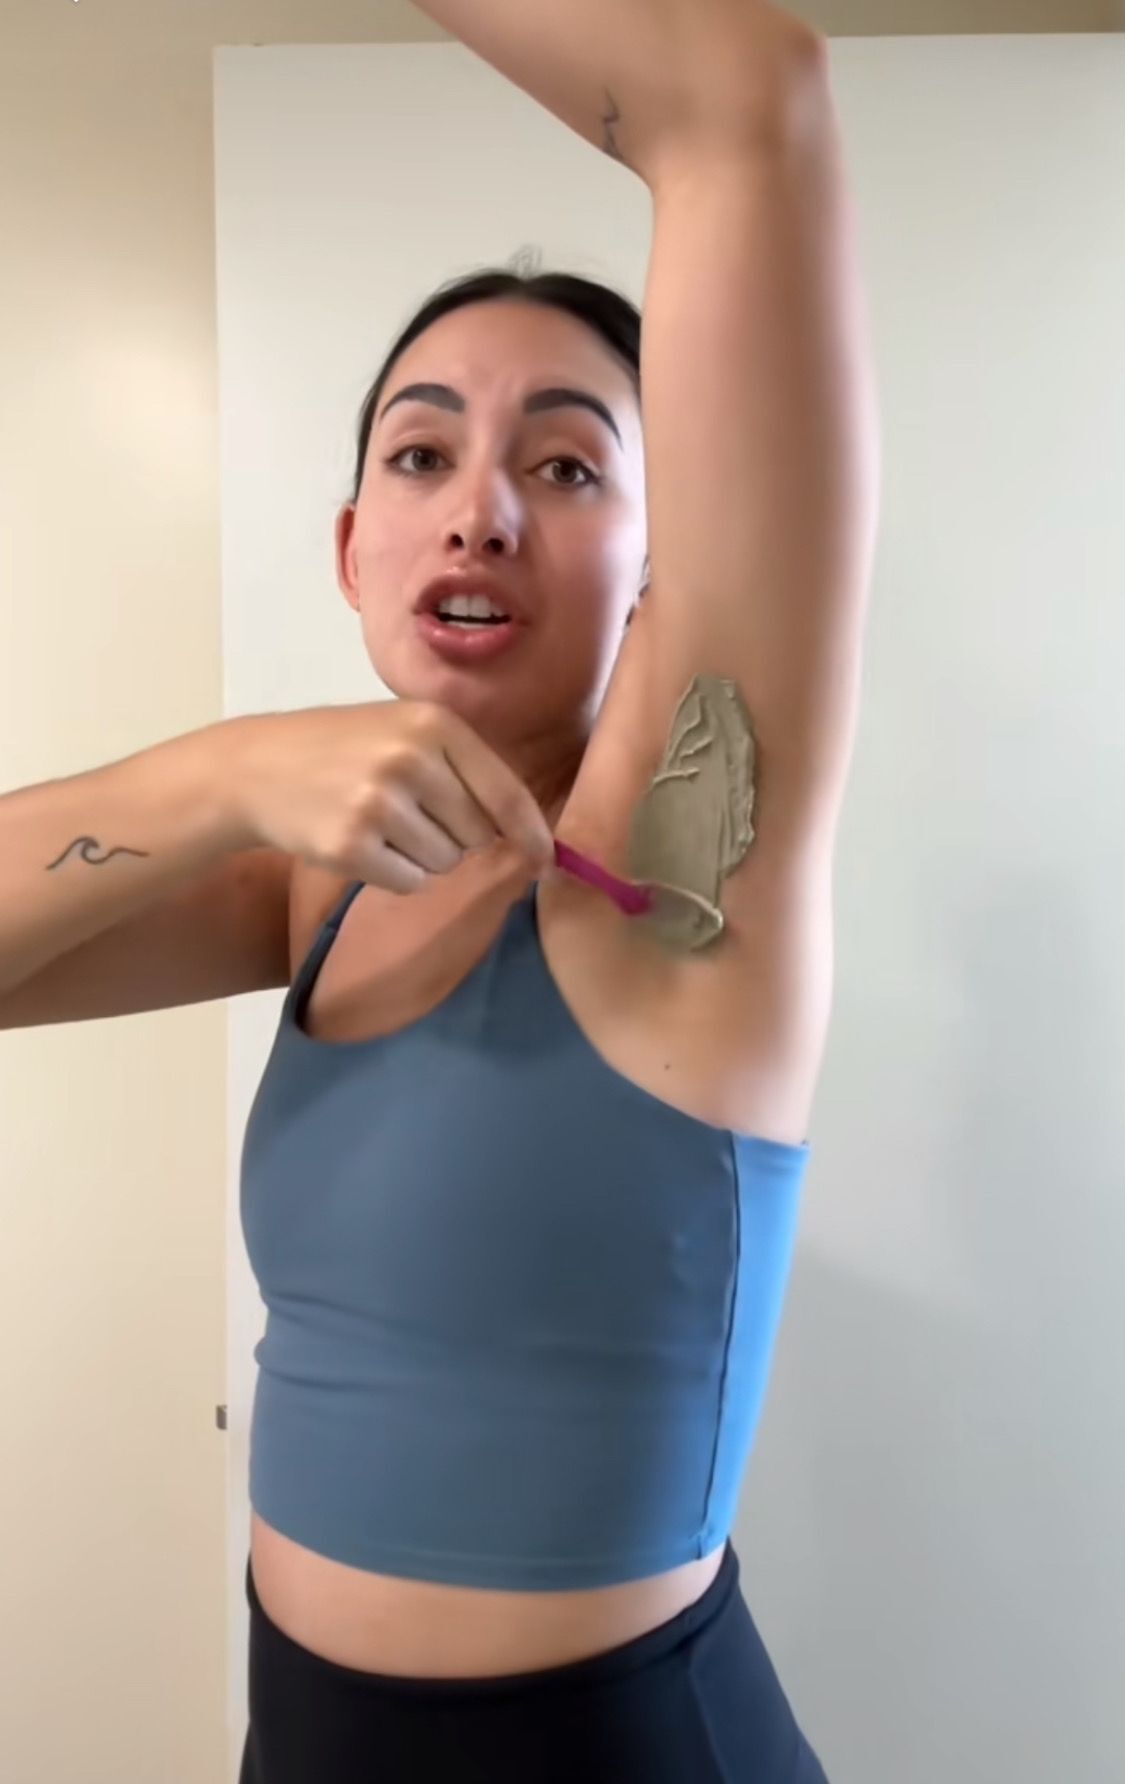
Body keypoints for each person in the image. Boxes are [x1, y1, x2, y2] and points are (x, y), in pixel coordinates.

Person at [0, 1, 880, 1778]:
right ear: (352, 546)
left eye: (566, 465)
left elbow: (746, 99)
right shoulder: (316, 891)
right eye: (420, 454)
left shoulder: (696, 870)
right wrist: (215, 773)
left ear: (661, 566)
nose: (478, 510)